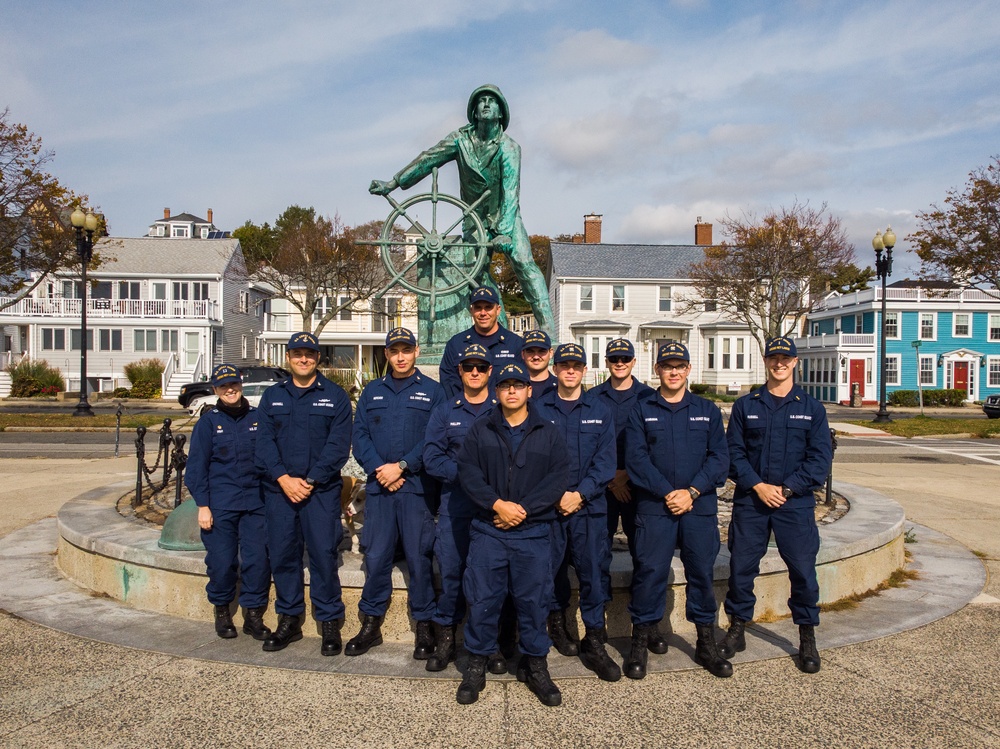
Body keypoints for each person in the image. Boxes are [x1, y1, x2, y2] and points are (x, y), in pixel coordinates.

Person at [370, 84, 555, 337]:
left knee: (525, 264)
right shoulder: (460, 139)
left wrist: (504, 232)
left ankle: (548, 330)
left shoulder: (510, 148)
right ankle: (495, 331)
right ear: (474, 112)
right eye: (481, 101)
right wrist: (394, 182)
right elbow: (428, 158)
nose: (487, 104)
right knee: (474, 276)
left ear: (501, 112)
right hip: (474, 219)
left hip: (506, 215)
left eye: (493, 101)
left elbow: (511, 191)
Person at [454, 362, 569, 706]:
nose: (512, 391)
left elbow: (558, 477)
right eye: (505, 386)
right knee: (483, 601)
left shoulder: (547, 431)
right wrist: (496, 505)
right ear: (497, 391)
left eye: (518, 385)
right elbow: (468, 472)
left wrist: (521, 510)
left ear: (529, 390)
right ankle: (476, 665)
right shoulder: (480, 429)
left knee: (534, 603)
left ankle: (536, 666)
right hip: (489, 530)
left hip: (532, 533)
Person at [720, 336, 833, 674]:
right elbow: (734, 455)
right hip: (752, 502)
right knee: (741, 568)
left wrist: (785, 489)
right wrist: (757, 485)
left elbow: (819, 461)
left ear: (795, 362)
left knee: (801, 571)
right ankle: (738, 627)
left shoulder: (812, 408)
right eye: (774, 358)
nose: (779, 363)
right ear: (766, 361)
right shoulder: (746, 406)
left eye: (786, 358)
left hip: (793, 505)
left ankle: (807, 635)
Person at [624, 342, 732, 679]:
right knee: (649, 573)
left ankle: (705, 644)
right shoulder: (641, 409)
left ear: (688, 370)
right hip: (656, 508)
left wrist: (692, 491)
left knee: (701, 573)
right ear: (657, 369)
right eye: (667, 366)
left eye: (679, 366)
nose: (673, 371)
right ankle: (639, 643)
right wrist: (668, 492)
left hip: (698, 508)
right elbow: (636, 459)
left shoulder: (707, 410)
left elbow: (719, 458)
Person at [347, 327, 445, 659]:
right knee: (375, 558)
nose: (400, 356)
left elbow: (435, 438)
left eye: (406, 350)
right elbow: (359, 435)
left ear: (416, 352)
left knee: (419, 559)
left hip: (416, 488)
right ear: (386, 354)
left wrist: (401, 466)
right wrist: (381, 468)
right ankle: (371, 624)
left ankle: (424, 627)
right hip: (379, 489)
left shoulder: (433, 392)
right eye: (394, 351)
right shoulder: (372, 391)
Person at [255, 332, 353, 655]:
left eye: (309, 354)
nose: (303, 359)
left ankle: (329, 623)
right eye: (297, 354)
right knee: (283, 555)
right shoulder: (272, 398)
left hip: (320, 492)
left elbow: (337, 448)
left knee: (324, 556)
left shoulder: (335, 397)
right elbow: (264, 444)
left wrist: (309, 480)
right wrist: (284, 479)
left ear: (318, 358)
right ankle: (290, 620)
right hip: (279, 491)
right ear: (288, 357)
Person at [534, 343, 619, 681]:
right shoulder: (538, 408)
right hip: (550, 510)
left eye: (576, 365)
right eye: (564, 365)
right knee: (549, 573)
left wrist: (579, 494)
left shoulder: (600, 409)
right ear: (555, 369)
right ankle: (556, 627)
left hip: (589, 510)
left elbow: (605, 463)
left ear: (585, 370)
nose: (570, 370)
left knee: (593, 575)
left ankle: (594, 640)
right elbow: (535, 460)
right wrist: (557, 496)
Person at [422, 343, 497, 672]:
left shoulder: (502, 408)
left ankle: (489, 645)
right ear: (460, 372)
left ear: (490, 371)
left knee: (490, 579)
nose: (475, 372)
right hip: (456, 505)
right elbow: (432, 455)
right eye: (469, 367)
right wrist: (466, 477)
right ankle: (446, 641)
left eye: (481, 367)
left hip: (494, 510)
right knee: (452, 575)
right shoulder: (445, 411)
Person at [185, 363, 271, 642]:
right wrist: (203, 505)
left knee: (257, 561)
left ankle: (253, 616)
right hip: (221, 504)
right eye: (223, 386)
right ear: (215, 390)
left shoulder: (258, 418)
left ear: (240, 385)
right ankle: (222, 611)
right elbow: (196, 467)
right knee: (222, 563)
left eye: (233, 384)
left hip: (256, 504)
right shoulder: (209, 423)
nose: (230, 390)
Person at [588, 338, 654, 561]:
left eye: (625, 358)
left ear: (633, 361)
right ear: (606, 362)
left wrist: (625, 475)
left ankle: (640, 595)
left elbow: (653, 443)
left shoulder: (649, 397)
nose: (619, 363)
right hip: (600, 484)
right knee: (597, 548)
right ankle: (601, 595)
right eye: (614, 358)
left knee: (642, 548)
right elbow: (587, 444)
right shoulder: (592, 397)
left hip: (636, 483)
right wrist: (610, 479)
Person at [437, 286, 522, 398]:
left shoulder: (516, 344)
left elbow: (522, 382)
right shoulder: (456, 344)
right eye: (478, 308)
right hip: (465, 411)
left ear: (498, 310)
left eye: (488, 307)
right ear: (471, 310)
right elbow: (448, 382)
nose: (483, 313)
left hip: (502, 412)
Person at [521, 329, 558, 400]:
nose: (536, 357)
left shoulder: (560, 387)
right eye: (530, 352)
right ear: (523, 354)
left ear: (551, 353)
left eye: (541, 351)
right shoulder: (515, 388)